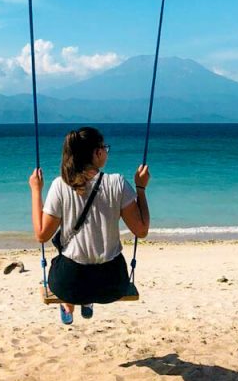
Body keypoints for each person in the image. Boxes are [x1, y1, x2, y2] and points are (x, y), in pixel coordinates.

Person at [29, 126, 150, 325]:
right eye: (105, 148)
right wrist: (141, 188)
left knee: (59, 259)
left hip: (70, 284)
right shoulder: (118, 183)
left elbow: (41, 235)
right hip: (112, 284)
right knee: (83, 265)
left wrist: (36, 190)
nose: (106, 152)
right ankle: (85, 301)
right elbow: (141, 230)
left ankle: (70, 303)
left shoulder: (61, 185)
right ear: (97, 152)